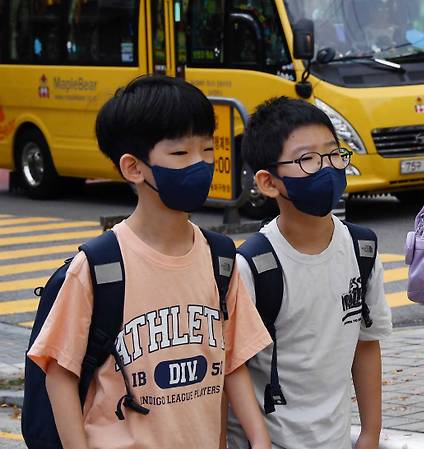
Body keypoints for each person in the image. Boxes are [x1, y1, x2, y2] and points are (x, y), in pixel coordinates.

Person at [27, 75, 272, 449]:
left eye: (208, 150)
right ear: (133, 168)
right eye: (180, 154)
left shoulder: (221, 258)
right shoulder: (97, 267)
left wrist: (259, 438)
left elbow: (233, 360)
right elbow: (59, 376)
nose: (201, 164)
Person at [226, 97, 392, 449]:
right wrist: (258, 440)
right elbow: (232, 365)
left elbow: (366, 343)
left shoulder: (362, 249)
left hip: (335, 440)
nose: (327, 168)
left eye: (333, 154)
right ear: (269, 183)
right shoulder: (253, 265)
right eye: (307, 159)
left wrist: (370, 433)